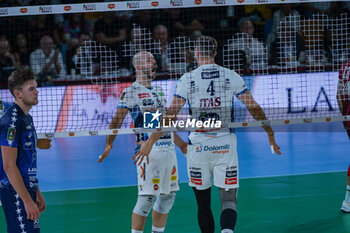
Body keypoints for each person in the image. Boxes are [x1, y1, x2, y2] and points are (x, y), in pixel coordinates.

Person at [133, 36, 281, 233]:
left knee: (203, 204)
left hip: (198, 146)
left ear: (196, 53)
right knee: (228, 199)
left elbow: (170, 115)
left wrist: (151, 140)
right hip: (225, 143)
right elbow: (253, 106)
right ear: (215, 53)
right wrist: (269, 131)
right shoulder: (230, 75)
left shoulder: (188, 78)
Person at [98, 51, 187, 233]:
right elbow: (116, 120)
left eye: (155, 59)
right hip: (147, 151)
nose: (154, 62)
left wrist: (182, 144)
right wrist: (109, 143)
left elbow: (163, 124)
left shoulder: (159, 92)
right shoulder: (131, 92)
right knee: (146, 198)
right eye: (149, 60)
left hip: (167, 149)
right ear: (138, 66)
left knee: (168, 196)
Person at [0, 69, 51, 232]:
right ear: (18, 93)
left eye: (35, 87)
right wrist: (27, 200)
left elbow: (25, 161)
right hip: (14, 191)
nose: (37, 92)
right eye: (31, 88)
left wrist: (35, 191)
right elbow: (8, 166)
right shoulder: (12, 122)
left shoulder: (26, 117)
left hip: (26, 188)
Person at [336, 59, 350, 213]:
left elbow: (338, 95)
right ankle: (347, 201)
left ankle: (348, 201)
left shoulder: (345, 66)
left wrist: (344, 117)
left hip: (348, 117)